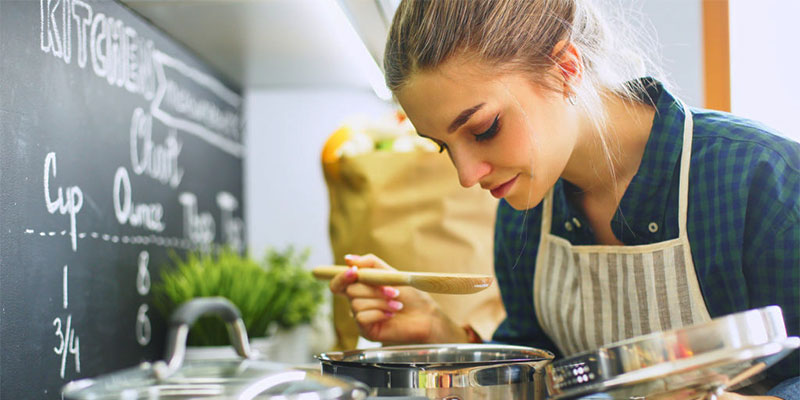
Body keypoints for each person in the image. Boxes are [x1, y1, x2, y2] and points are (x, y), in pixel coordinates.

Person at [328, 1, 799, 398]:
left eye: (484, 129)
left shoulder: (761, 179)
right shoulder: (525, 214)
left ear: (565, 69)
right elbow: (541, 383)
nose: (467, 175)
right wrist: (437, 334)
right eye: (443, 146)